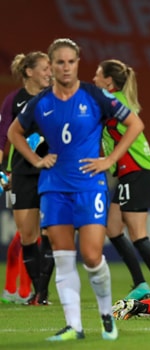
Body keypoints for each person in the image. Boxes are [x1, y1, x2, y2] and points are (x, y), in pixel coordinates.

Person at [8, 38, 144, 341]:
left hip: (89, 185)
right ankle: (74, 326)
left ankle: (107, 316)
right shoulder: (41, 102)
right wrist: (36, 159)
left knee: (92, 256)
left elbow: (135, 123)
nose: (65, 67)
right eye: (59, 62)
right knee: (63, 255)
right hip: (54, 186)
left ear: (77, 63)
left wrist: (109, 159)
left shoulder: (94, 96)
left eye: (71, 62)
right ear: (52, 66)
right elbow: (14, 132)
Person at [92, 59, 150, 301]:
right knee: (112, 228)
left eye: (97, 75)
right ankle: (141, 284)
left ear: (108, 81)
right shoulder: (115, 102)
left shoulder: (115, 103)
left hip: (137, 170)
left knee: (138, 233)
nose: (94, 79)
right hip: (129, 171)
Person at [0, 52, 55, 306]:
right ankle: (35, 290)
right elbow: (3, 138)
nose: (49, 72)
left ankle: (41, 294)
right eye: (44, 68)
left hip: (51, 173)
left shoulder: (57, 97)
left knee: (53, 233)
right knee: (27, 236)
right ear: (29, 72)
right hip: (22, 173)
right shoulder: (13, 100)